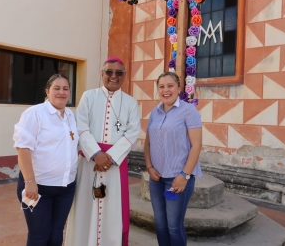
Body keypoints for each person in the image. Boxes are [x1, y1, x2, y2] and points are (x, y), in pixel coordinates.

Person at [65, 57, 141, 246]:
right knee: (85, 207)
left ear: (124, 76)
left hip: (114, 166)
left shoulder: (131, 102)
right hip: (90, 162)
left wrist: (110, 158)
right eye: (109, 72)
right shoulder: (89, 96)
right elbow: (81, 127)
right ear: (102, 74)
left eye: (118, 73)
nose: (113, 76)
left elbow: (132, 134)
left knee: (111, 209)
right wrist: (96, 154)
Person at [13, 74, 79, 246]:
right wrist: (30, 181)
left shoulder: (71, 116)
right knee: (39, 235)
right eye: (57, 88)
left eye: (65, 89)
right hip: (38, 187)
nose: (61, 92)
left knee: (56, 233)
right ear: (47, 91)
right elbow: (23, 148)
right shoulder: (35, 113)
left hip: (66, 187)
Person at [144, 72, 202, 246]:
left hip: (177, 180)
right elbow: (147, 144)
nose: (166, 90)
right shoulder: (155, 112)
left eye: (170, 86)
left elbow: (196, 146)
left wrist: (184, 175)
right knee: (160, 226)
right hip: (157, 179)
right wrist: (149, 168)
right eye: (161, 87)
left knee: (174, 227)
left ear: (178, 88)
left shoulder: (188, 110)